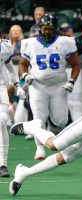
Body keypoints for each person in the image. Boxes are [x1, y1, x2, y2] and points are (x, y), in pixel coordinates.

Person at [19, 13, 81, 160]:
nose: (47, 31)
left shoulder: (65, 42)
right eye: (45, 28)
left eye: (50, 28)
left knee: (60, 120)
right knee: (38, 118)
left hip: (58, 85)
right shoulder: (31, 43)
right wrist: (25, 76)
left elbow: (76, 64)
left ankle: (51, 129)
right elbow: (22, 64)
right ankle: (39, 148)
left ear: (55, 28)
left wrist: (71, 81)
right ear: (40, 28)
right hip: (38, 86)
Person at [0, 36, 25, 177]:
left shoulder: (4, 48)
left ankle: (2, 164)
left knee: (2, 121)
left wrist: (17, 86)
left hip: (0, 87)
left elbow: (11, 70)